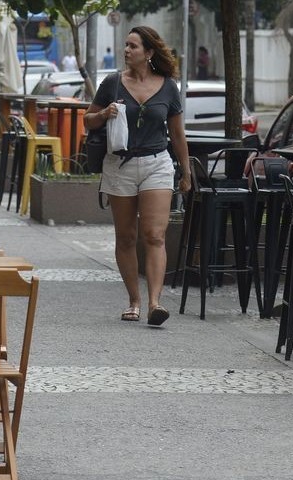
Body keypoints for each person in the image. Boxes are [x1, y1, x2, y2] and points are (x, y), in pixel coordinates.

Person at [84, 26, 190, 327]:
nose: (127, 50)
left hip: (157, 163)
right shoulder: (113, 83)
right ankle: (134, 299)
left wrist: (186, 170)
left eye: (133, 46)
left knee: (154, 235)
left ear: (149, 52)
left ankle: (155, 303)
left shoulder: (169, 87)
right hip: (120, 165)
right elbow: (87, 120)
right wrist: (104, 115)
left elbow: (178, 133)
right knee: (127, 236)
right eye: (126, 45)